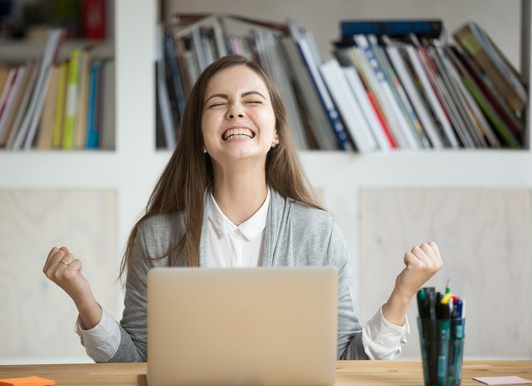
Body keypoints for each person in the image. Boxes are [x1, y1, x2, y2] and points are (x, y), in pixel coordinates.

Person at [43, 54, 442, 362]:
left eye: (252, 100)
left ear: (275, 134)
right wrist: (85, 301)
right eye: (219, 103)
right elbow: (135, 362)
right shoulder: (158, 236)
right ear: (200, 135)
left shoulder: (318, 233)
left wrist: (404, 291)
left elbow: (345, 362)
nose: (236, 110)